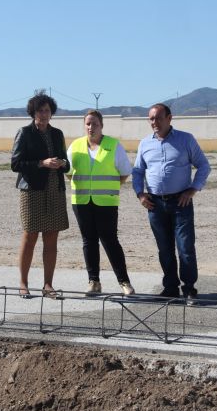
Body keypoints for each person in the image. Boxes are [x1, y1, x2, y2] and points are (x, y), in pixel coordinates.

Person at [132, 103, 211, 302]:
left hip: (180, 203)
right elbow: (138, 171)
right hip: (155, 205)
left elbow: (203, 165)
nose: (154, 122)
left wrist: (193, 189)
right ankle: (170, 287)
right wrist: (140, 194)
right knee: (164, 248)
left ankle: (189, 288)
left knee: (185, 247)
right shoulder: (144, 144)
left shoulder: (186, 139)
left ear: (169, 118)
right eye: (151, 118)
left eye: (158, 118)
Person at [67, 110, 135, 296]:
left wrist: (109, 187)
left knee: (110, 240)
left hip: (106, 202)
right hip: (81, 201)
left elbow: (124, 172)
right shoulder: (76, 145)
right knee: (88, 241)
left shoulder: (113, 145)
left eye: (95, 123)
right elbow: (68, 170)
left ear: (102, 125)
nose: (91, 127)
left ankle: (124, 282)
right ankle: (94, 281)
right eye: (88, 124)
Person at [11, 92, 70, 299]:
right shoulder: (24, 133)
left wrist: (62, 163)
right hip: (32, 191)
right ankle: (23, 283)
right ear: (33, 112)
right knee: (30, 236)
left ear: (51, 113)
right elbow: (15, 164)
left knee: (52, 238)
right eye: (40, 111)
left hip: (54, 189)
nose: (44, 114)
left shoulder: (57, 134)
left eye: (47, 111)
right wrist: (41, 163)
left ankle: (48, 285)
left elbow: (66, 162)